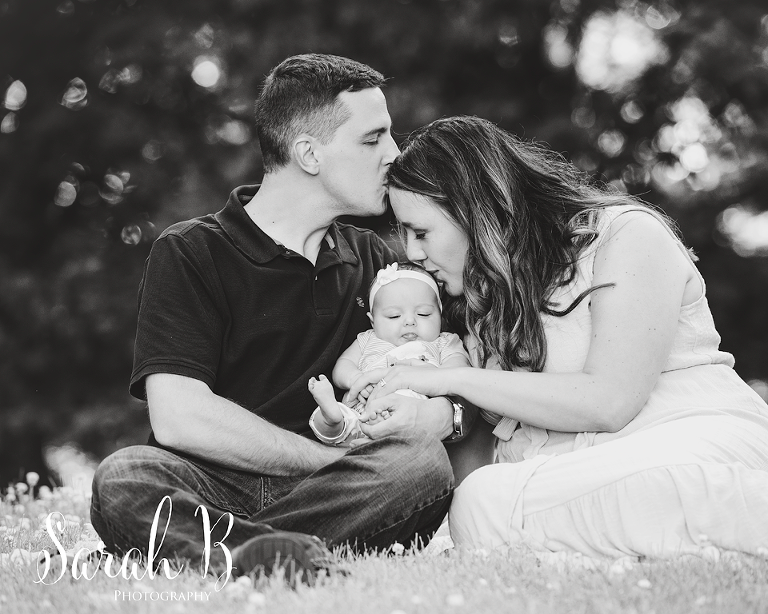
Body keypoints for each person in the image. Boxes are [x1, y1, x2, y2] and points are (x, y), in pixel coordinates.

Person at [89, 55, 470, 579]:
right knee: (126, 475)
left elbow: (449, 367)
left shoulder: (378, 263)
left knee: (420, 464)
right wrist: (331, 463)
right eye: (372, 139)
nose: (394, 154)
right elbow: (179, 418)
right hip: (215, 485)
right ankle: (268, 553)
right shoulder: (191, 251)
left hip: (338, 492)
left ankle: (208, 552)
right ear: (309, 154)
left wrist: (446, 415)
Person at [359, 115, 768, 559]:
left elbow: (610, 401)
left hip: (685, 441)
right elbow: (480, 453)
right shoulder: (475, 299)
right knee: (479, 501)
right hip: (563, 480)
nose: (413, 252)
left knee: (496, 502)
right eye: (405, 234)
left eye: (421, 233)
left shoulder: (625, 234)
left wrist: (447, 380)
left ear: (473, 210)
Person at [308, 262, 470, 446]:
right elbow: (343, 365)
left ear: (440, 315)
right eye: (394, 316)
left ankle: (363, 431)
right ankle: (333, 418)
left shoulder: (444, 342)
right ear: (373, 321)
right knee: (339, 420)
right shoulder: (367, 339)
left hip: (413, 409)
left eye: (423, 314)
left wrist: (434, 375)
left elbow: (459, 373)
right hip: (361, 408)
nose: (410, 321)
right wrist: (355, 379)